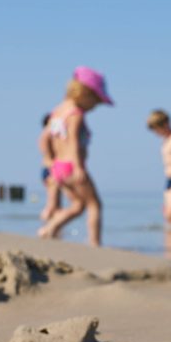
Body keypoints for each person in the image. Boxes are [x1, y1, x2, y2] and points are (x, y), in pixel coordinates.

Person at [38, 66, 113, 245]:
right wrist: (79, 167)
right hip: (72, 166)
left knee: (78, 205)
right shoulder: (75, 114)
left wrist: (49, 160)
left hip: (58, 167)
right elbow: (72, 141)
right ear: (85, 95)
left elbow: (43, 138)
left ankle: (49, 229)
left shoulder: (57, 111)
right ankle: (95, 244)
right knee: (95, 205)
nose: (95, 107)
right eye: (95, 101)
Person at [38, 112, 65, 224]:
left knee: (57, 203)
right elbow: (50, 156)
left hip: (48, 169)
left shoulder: (46, 135)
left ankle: (54, 228)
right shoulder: (47, 135)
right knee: (52, 203)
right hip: (51, 169)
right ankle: (46, 228)